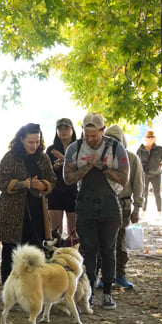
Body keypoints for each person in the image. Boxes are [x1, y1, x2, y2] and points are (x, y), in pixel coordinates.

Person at [64, 113, 129, 309]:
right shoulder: (74, 148)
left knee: (108, 249)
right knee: (88, 249)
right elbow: (68, 178)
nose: (91, 139)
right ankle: (89, 290)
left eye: (94, 135)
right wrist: (86, 167)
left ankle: (107, 292)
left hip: (110, 203)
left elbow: (123, 178)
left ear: (103, 130)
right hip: (85, 203)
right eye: (87, 134)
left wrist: (100, 166)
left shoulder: (116, 148)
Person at [0, 123, 56, 283]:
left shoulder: (42, 157)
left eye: (37, 142)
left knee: (35, 250)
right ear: (21, 140)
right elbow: (2, 182)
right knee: (11, 251)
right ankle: (9, 288)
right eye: (30, 142)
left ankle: (32, 287)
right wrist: (22, 184)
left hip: (36, 209)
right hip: (12, 211)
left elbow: (52, 179)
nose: (34, 145)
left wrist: (43, 185)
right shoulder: (11, 157)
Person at [102, 125, 143, 289]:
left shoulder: (132, 158)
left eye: (117, 140)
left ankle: (120, 274)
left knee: (120, 242)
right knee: (104, 242)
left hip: (123, 206)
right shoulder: (102, 158)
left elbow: (138, 184)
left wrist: (137, 208)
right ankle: (105, 277)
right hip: (104, 203)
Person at [46, 118, 79, 241]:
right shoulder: (51, 150)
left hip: (74, 191)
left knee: (74, 231)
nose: (63, 131)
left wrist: (65, 160)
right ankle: (55, 255)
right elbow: (46, 172)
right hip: (56, 192)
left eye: (66, 128)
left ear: (72, 130)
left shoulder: (78, 148)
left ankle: (73, 255)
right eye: (60, 129)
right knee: (55, 230)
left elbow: (82, 168)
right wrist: (54, 167)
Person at [136, 131, 162, 215]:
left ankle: (159, 212)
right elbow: (136, 162)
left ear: (155, 138)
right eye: (148, 137)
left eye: (152, 137)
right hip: (144, 175)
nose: (150, 138)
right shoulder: (140, 150)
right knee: (144, 194)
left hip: (156, 175)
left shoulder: (160, 149)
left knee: (157, 194)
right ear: (145, 138)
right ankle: (143, 211)